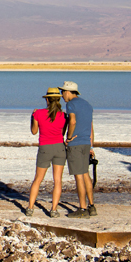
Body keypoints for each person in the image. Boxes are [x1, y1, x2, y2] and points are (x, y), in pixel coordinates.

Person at [25, 87, 67, 218]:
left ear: (47, 100)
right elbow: (62, 133)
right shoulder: (63, 115)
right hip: (59, 147)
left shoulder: (39, 113)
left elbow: (34, 131)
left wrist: (32, 117)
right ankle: (54, 209)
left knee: (38, 179)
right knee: (58, 180)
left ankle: (30, 207)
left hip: (45, 147)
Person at [58, 81, 96, 219]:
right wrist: (91, 145)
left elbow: (72, 121)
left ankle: (82, 208)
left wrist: (68, 138)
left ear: (68, 92)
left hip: (76, 144)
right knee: (85, 174)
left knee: (79, 175)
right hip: (86, 143)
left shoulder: (71, 104)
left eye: (63, 92)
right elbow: (91, 127)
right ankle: (91, 206)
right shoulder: (87, 105)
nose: (62, 95)